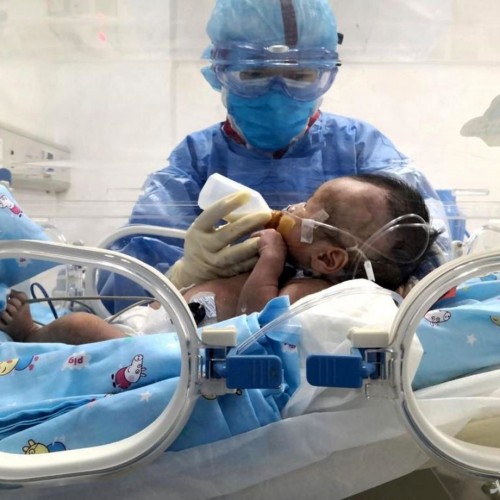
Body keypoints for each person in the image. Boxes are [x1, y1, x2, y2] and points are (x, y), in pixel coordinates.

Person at [99, 0, 449, 312]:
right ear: (219, 71)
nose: (277, 93)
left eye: (298, 75)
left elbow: (424, 248)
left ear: (325, 73)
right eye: (254, 73)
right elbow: (121, 292)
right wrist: (181, 274)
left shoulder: (359, 146)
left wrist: (393, 297)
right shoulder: (196, 159)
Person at [1, 174, 438, 345]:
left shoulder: (310, 290)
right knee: (86, 325)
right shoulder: (303, 267)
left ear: (328, 257)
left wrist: (269, 261)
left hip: (156, 346)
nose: (293, 207)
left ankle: (31, 335)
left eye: (309, 206)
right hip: (156, 323)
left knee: (80, 326)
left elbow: (259, 320)